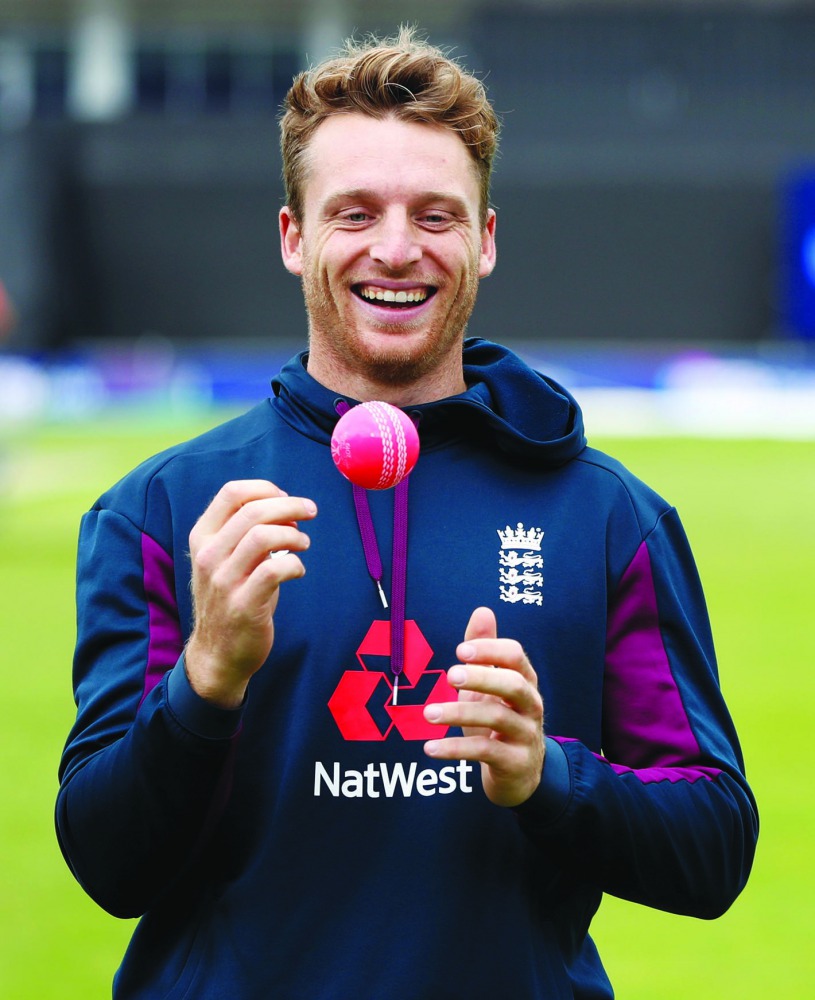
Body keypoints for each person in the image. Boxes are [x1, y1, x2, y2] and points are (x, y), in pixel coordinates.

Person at [56, 28, 758, 1000]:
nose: (395, 248)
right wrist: (204, 682)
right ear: (293, 236)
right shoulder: (163, 511)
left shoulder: (606, 515)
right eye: (353, 213)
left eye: (436, 214)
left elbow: (712, 846)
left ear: (484, 238)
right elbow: (106, 863)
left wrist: (548, 775)